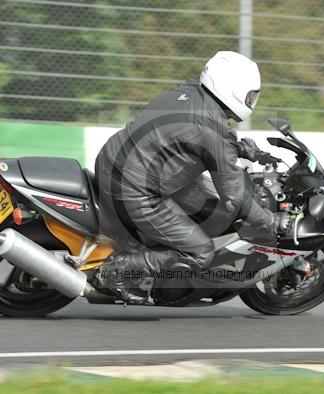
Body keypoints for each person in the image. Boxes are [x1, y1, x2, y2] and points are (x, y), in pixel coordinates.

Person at [95, 50, 284, 303]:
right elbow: (234, 197)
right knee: (201, 250)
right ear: (232, 88)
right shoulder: (216, 129)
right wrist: (271, 222)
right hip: (134, 190)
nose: (251, 100)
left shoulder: (186, 93)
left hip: (112, 161)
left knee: (202, 202)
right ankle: (117, 272)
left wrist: (238, 149)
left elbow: (185, 136)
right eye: (250, 95)